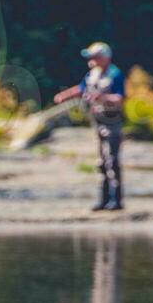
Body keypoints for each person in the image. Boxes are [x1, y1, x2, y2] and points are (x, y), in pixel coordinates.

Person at [54, 41, 126, 212]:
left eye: (95, 57)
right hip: (98, 121)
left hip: (112, 122)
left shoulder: (115, 75)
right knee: (101, 161)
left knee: (112, 160)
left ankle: (116, 200)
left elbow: (120, 98)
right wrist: (64, 96)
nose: (91, 60)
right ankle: (104, 199)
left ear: (105, 58)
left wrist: (103, 97)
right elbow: (81, 88)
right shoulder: (92, 74)